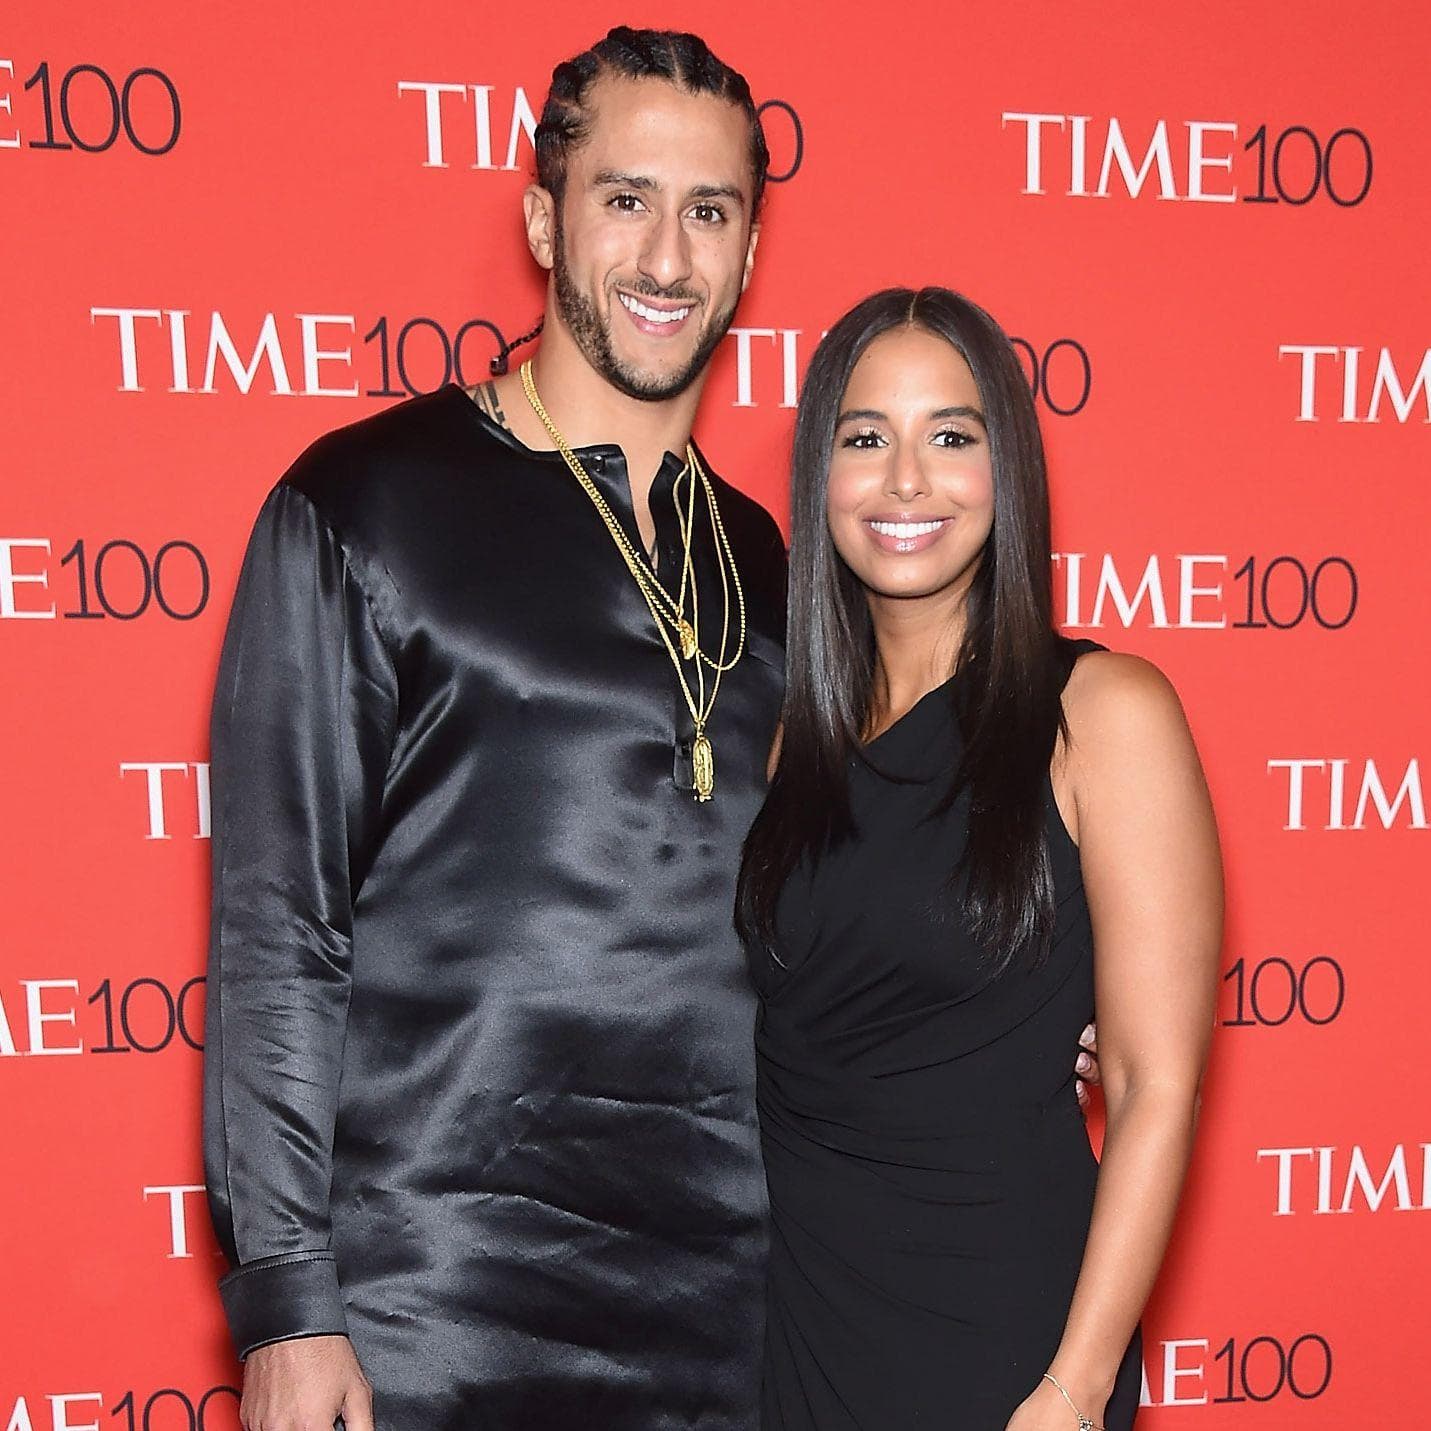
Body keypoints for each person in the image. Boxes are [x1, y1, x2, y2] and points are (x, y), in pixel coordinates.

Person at [204, 28, 787, 1431]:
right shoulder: (364, 502)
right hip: (436, 1300)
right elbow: (282, 927)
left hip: (736, 1303)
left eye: (708, 212)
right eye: (624, 199)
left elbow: (837, 891)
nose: (666, 257)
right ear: (542, 220)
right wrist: (287, 1299)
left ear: (750, 255)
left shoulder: (770, 559)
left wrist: (1026, 1002)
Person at [736, 288, 1222, 1431]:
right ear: (819, 475)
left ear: (1008, 468)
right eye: (866, 439)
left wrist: (1074, 1388)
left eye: (951, 437)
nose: (907, 481)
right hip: (801, 1328)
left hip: (1007, 1341)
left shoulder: (1104, 713)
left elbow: (1155, 1086)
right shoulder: (790, 740)